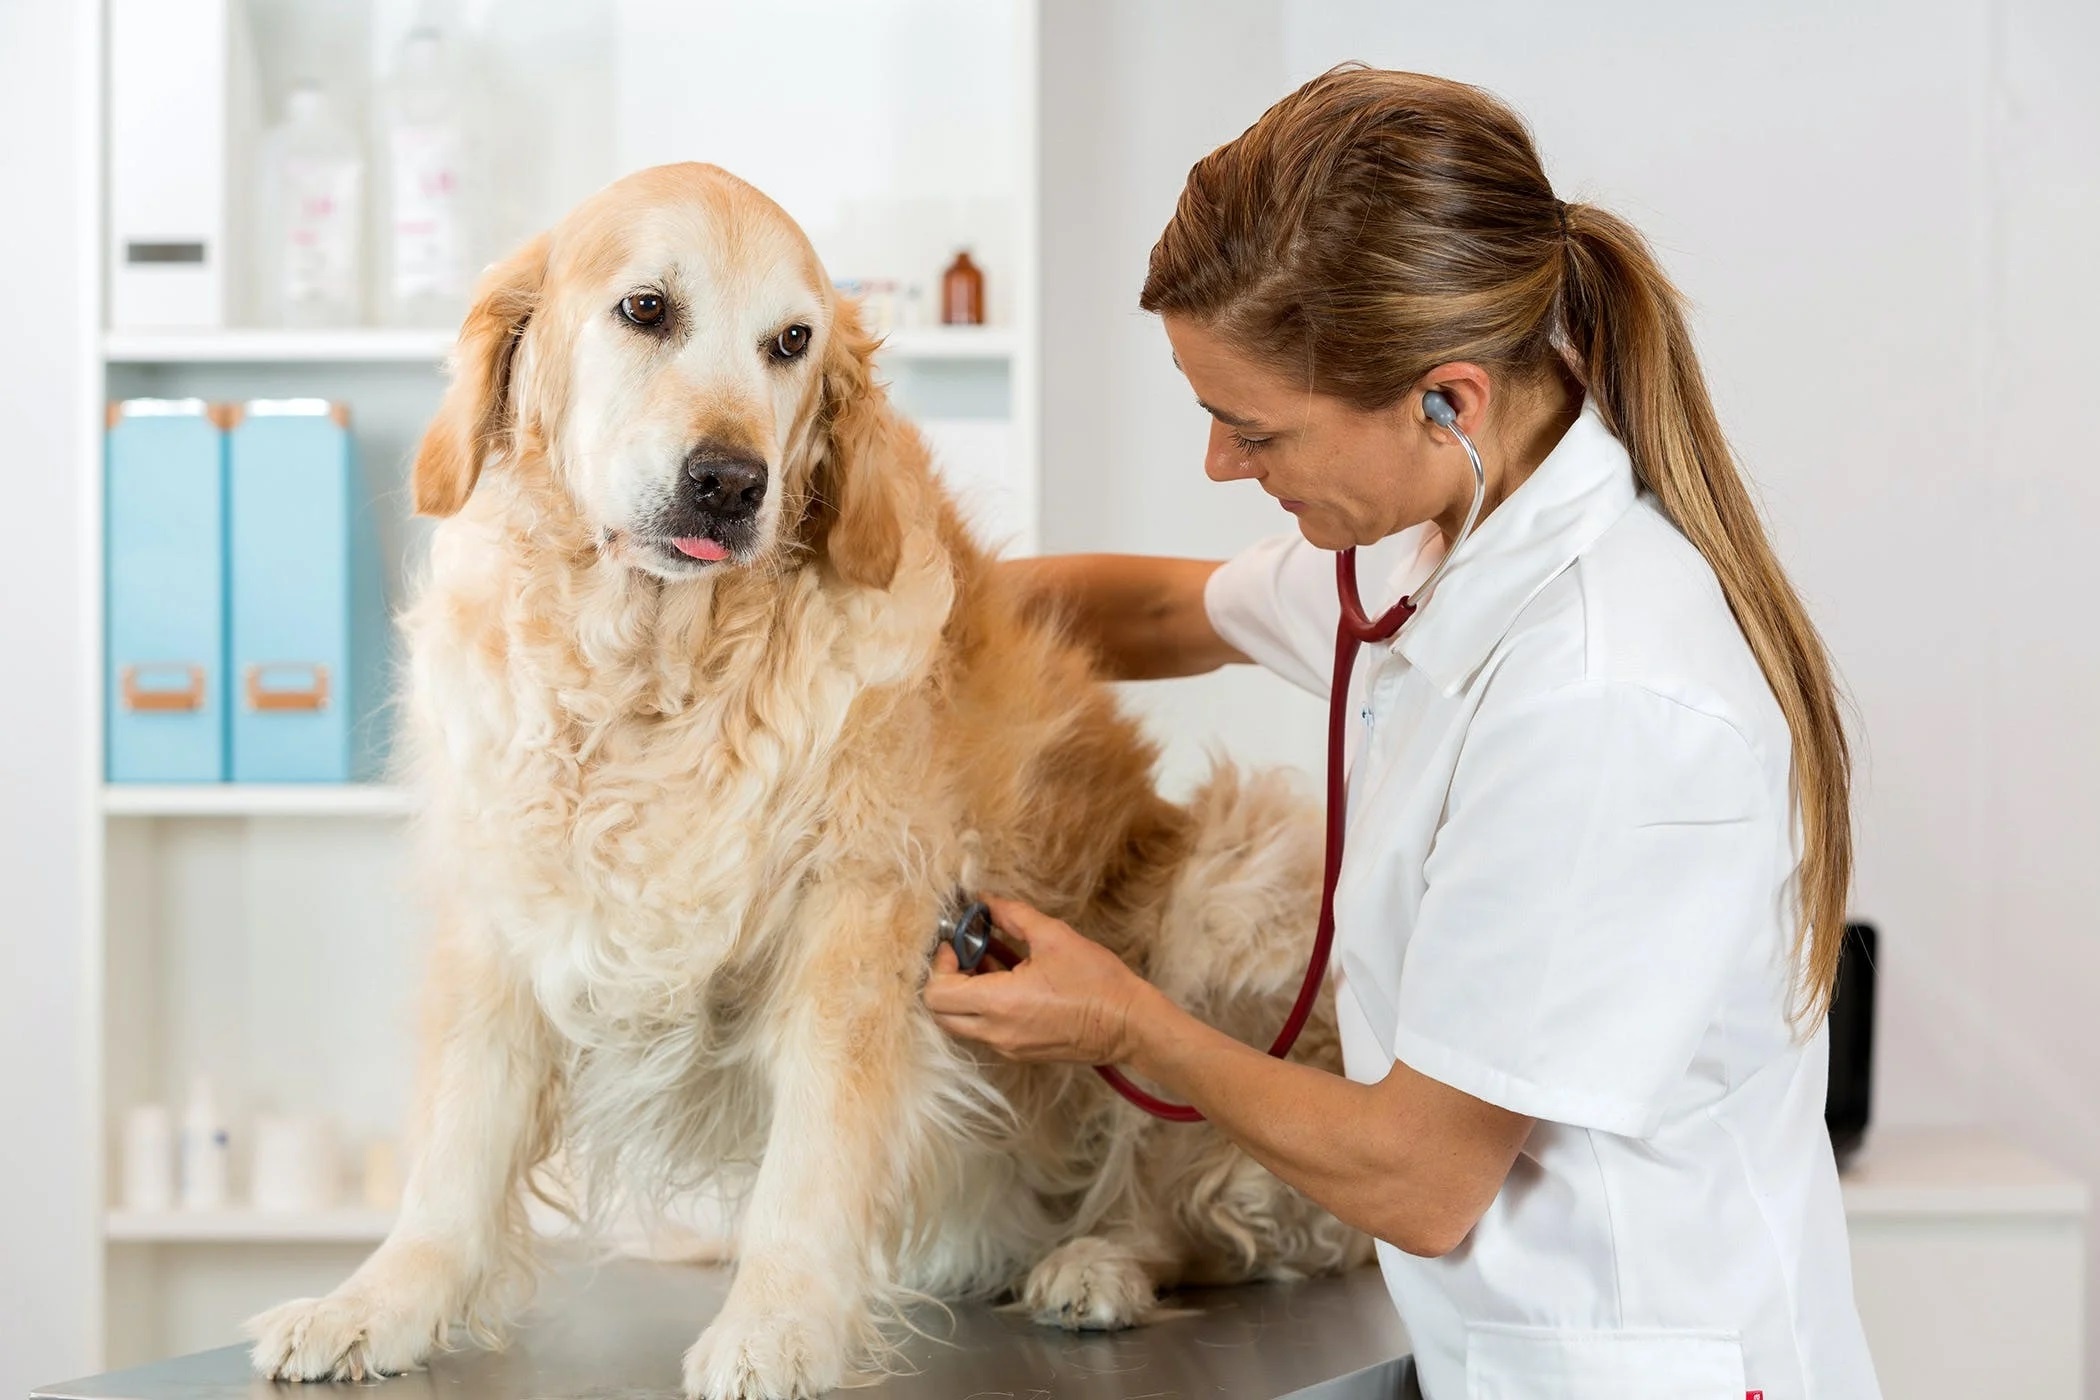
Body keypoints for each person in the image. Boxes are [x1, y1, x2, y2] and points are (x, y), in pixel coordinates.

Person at [922, 66, 1881, 1400]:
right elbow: (1152, 607)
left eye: (1250, 429)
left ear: (1450, 404)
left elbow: (1418, 1177)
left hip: (1634, 1368)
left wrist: (1121, 1020)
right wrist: (890, 621)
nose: (1217, 464)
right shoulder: (1426, 551)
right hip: (1486, 1350)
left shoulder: (1602, 696)